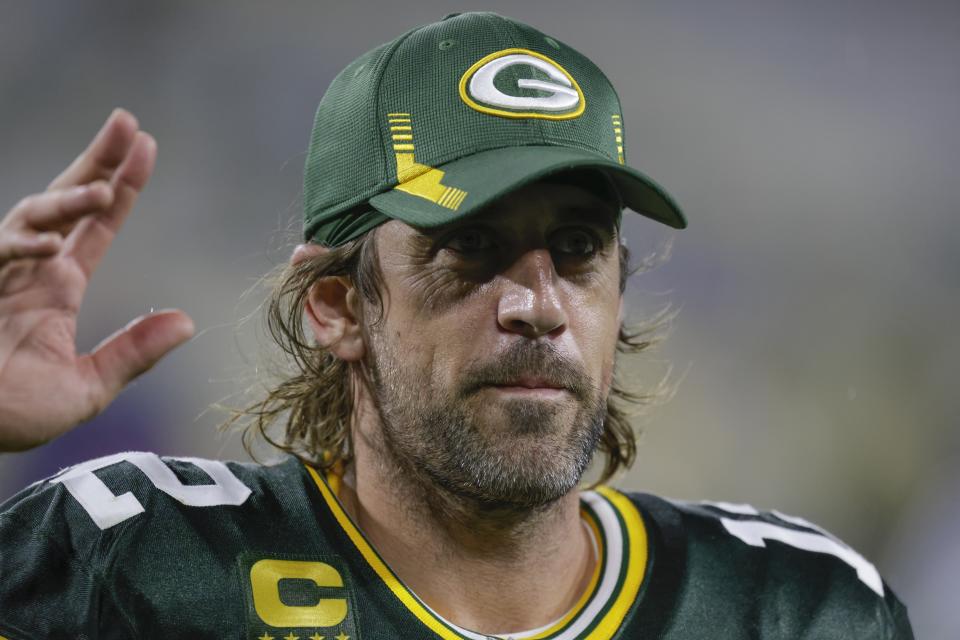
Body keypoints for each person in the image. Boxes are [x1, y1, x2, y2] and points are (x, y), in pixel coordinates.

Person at [0, 12, 912, 640]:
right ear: (337, 305)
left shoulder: (793, 607)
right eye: (471, 247)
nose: (539, 304)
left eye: (579, 246)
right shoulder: (133, 563)